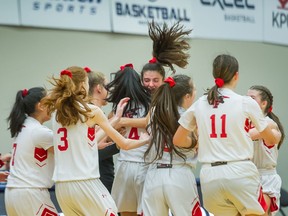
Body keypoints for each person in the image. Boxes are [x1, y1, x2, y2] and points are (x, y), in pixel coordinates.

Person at [173, 54, 278, 216]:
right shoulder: (245, 102)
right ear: (236, 75)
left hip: (209, 175)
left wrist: (199, 142)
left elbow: (178, 140)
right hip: (239, 171)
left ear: (215, 75)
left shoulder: (199, 103)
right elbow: (270, 139)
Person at [42, 66, 150, 216]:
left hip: (62, 188)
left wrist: (117, 118)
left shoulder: (57, 113)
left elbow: (89, 141)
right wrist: (147, 140)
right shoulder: (91, 111)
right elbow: (125, 144)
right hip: (86, 182)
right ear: (82, 85)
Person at [105, 63, 150, 216]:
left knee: (125, 212)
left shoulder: (119, 106)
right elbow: (146, 122)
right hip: (144, 164)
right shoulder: (149, 102)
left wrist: (120, 121)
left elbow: (106, 123)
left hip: (124, 164)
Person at [5, 87, 58, 215]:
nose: (53, 105)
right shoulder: (39, 132)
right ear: (40, 106)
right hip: (30, 193)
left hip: (13, 193)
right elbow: (69, 151)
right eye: (50, 101)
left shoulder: (24, 128)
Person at [247, 85, 285, 216]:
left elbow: (247, 135)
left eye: (252, 98)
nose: (247, 101)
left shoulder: (270, 125)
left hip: (265, 178)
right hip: (245, 175)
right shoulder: (244, 122)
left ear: (264, 104)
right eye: (246, 98)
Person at [87, 67, 119, 193]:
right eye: (107, 87)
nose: (109, 91)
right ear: (99, 88)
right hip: (98, 179)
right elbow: (93, 153)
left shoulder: (92, 111)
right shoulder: (92, 112)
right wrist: (121, 145)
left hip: (99, 176)